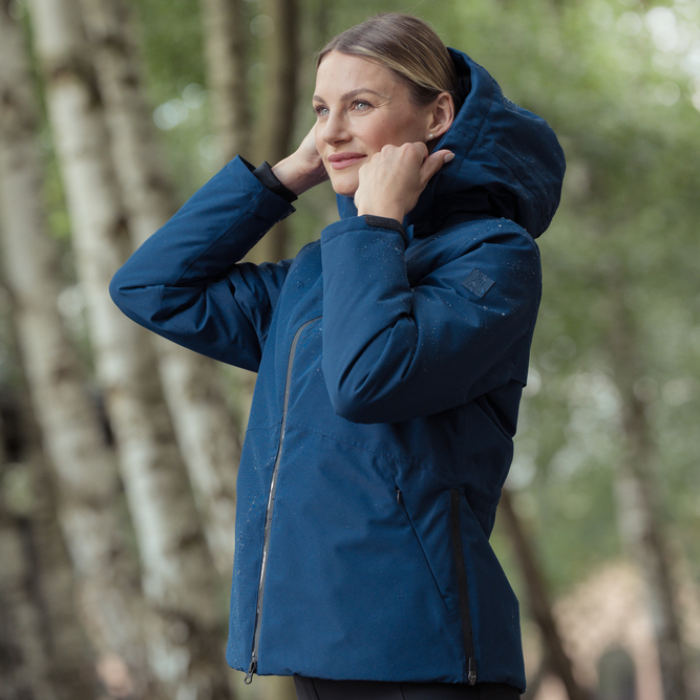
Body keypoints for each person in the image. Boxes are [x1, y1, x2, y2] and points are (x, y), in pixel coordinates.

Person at [110, 13, 565, 700]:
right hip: (315, 647)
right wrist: (285, 178)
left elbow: (369, 381)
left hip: (422, 656)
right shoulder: (320, 274)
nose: (331, 130)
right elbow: (150, 288)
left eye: (360, 105)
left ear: (438, 114)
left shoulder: (494, 257)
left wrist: (377, 222)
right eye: (321, 109)